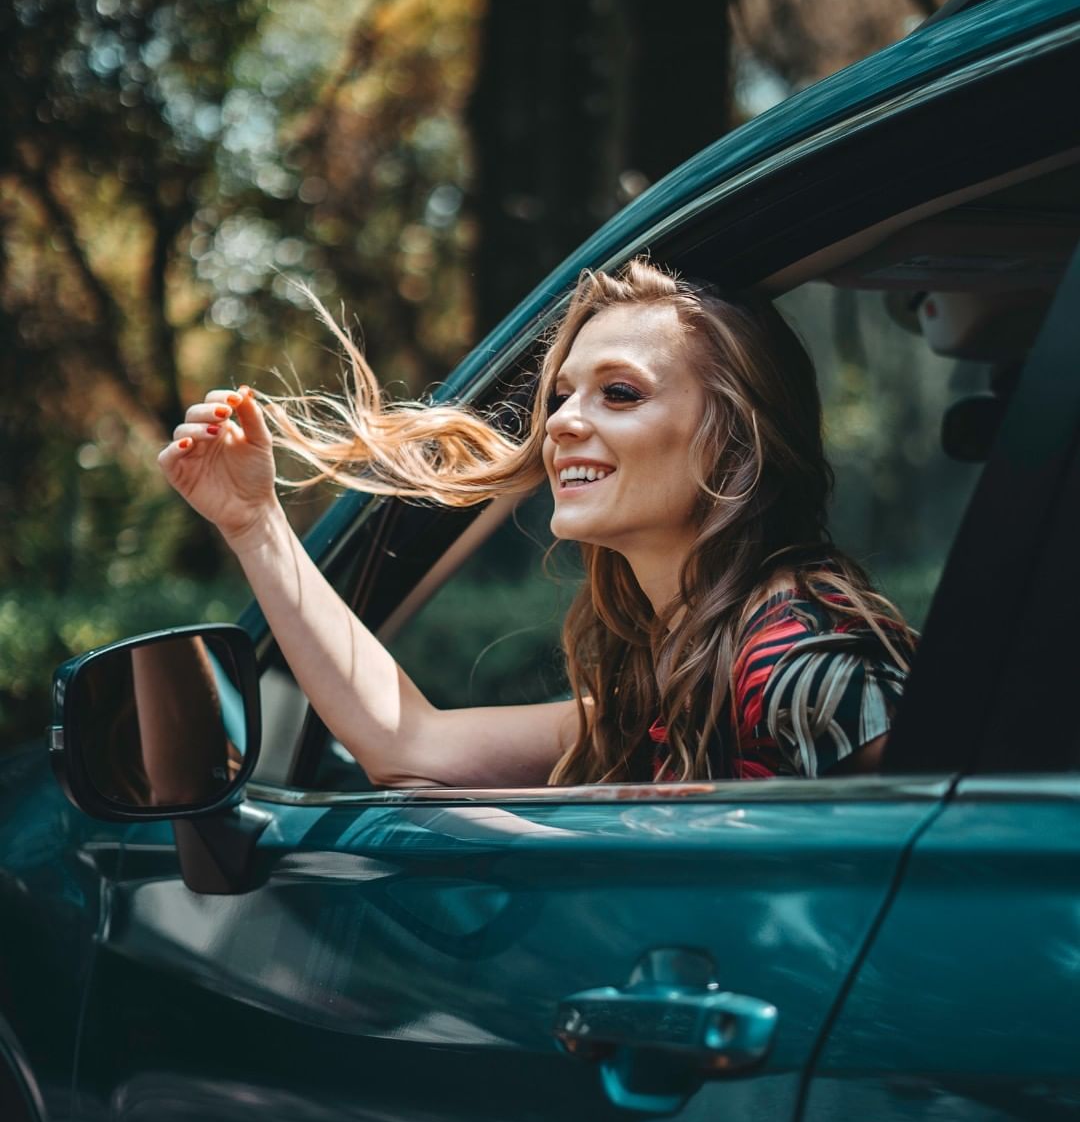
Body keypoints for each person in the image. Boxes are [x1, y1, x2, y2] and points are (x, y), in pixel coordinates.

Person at [158, 257, 914, 788]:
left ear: (735, 441)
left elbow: (934, 881)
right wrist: (254, 522)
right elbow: (412, 747)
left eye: (619, 394)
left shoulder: (798, 654)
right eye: (560, 396)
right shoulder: (685, 668)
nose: (561, 424)